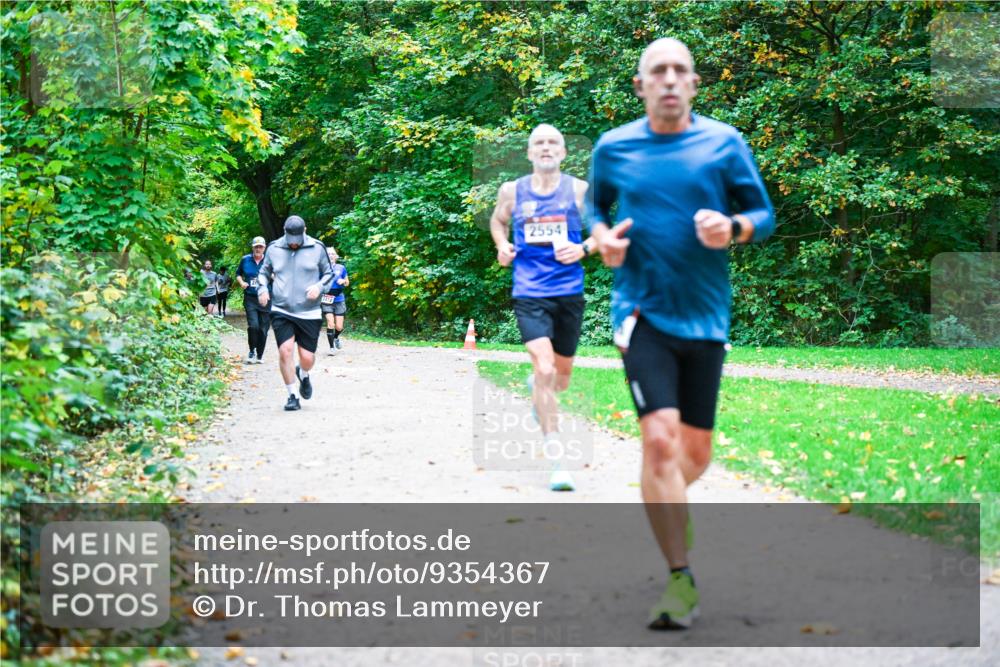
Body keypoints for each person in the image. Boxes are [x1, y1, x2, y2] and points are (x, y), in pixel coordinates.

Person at [586, 38, 775, 630]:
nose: (669, 79)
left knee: (695, 454)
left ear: (694, 83)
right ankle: (680, 578)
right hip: (640, 313)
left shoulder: (724, 144)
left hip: (707, 316)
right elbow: (593, 210)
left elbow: (763, 214)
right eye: (657, 72)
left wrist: (734, 227)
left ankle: (667, 504)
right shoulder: (614, 147)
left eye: (680, 71)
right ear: (641, 85)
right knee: (661, 443)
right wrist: (602, 240)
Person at [489, 123, 596, 492]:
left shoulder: (580, 191)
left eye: (554, 142)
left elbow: (603, 230)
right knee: (545, 367)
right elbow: (498, 221)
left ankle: (538, 389)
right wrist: (502, 245)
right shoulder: (512, 191)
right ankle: (557, 459)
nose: (547, 147)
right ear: (530, 152)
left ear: (564, 152)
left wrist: (584, 248)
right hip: (529, 291)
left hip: (569, 292)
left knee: (559, 378)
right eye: (539, 143)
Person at [256, 216, 334, 411]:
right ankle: (292, 395)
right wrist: (263, 289)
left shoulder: (317, 248)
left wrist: (319, 287)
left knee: (307, 358)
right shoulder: (274, 248)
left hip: (309, 311)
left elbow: (329, 274)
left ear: (305, 230)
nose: (293, 243)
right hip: (282, 309)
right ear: (284, 230)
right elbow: (263, 273)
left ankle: (304, 373)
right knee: (285, 351)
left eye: (297, 238)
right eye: (290, 238)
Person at [236, 236, 270, 364]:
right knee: (253, 326)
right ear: (253, 247)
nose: (258, 249)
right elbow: (238, 274)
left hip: (266, 298)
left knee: (263, 329)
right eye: (256, 246)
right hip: (250, 297)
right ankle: (252, 350)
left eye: (260, 246)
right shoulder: (245, 260)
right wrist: (242, 282)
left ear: (264, 248)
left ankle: (260, 354)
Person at [321, 248, 350, 354]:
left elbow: (347, 282)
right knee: (330, 323)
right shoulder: (321, 268)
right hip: (326, 298)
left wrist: (343, 281)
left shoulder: (341, 268)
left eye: (333, 254)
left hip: (339, 299)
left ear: (336, 256)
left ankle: (336, 337)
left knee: (339, 326)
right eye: (328, 254)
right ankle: (331, 348)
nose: (331, 255)